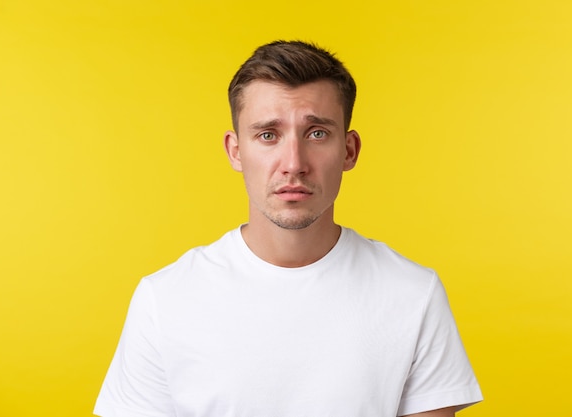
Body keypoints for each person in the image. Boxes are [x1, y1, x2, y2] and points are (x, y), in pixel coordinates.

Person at [94, 40, 483, 417]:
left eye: (316, 133)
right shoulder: (165, 300)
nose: (293, 163)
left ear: (349, 150)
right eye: (268, 135)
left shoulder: (413, 294)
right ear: (235, 150)